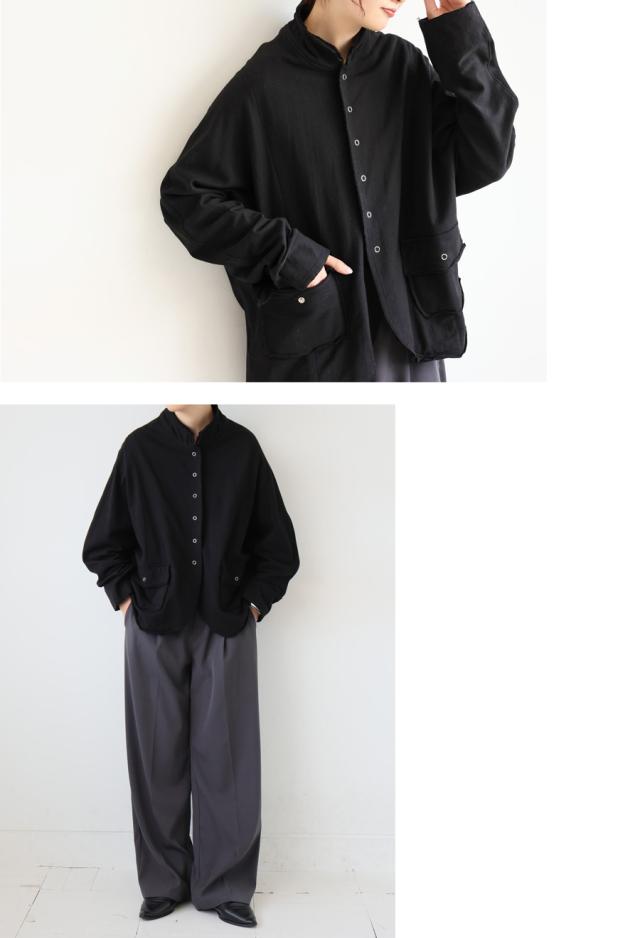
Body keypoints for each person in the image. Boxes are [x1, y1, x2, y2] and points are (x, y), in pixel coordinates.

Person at [160, 0, 518, 382]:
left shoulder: (404, 66)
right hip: (318, 349)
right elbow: (186, 196)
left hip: (411, 331)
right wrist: (289, 254)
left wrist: (458, 30)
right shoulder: (263, 83)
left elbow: (487, 156)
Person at [82, 405, 299, 928]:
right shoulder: (139, 450)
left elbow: (278, 547)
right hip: (152, 626)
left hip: (227, 624)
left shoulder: (243, 448)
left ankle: (225, 885)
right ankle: (163, 882)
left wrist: (253, 604)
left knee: (229, 759)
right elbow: (103, 544)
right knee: (155, 756)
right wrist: (126, 601)